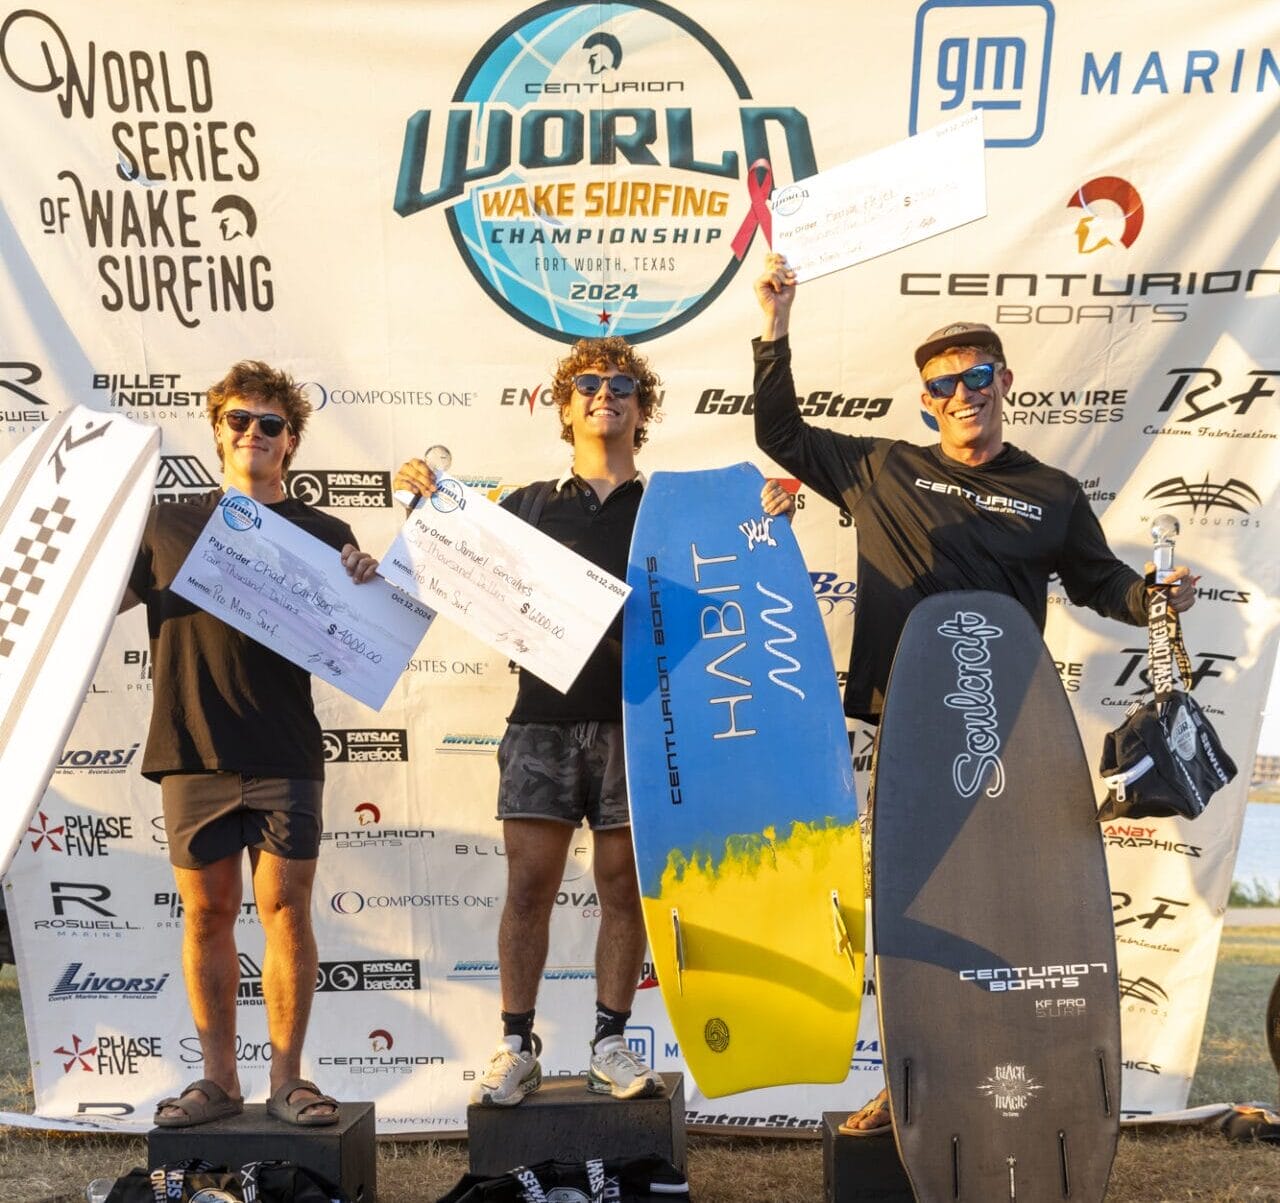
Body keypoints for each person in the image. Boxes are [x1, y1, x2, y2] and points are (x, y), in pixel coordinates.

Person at [751, 253, 1197, 1132]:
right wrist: (775, 325)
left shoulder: (1051, 492)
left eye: (978, 376)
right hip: (905, 725)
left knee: (1012, 909)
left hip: (1009, 732)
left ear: (1004, 383)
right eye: (944, 383)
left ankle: (1017, 1080)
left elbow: (1105, 583)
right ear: (925, 400)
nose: (962, 393)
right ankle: (912, 1083)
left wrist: (1157, 600)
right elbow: (781, 434)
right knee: (913, 914)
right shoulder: (881, 468)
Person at [394, 336, 794, 1106]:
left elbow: (741, 572)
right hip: (541, 719)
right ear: (564, 404)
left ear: (641, 408)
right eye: (586, 383)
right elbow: (446, 568)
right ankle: (515, 1043)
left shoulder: (674, 511)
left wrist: (770, 511)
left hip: (643, 726)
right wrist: (419, 502)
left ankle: (611, 1039)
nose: (602, 393)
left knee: (621, 886)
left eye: (619, 384)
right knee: (529, 885)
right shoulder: (526, 505)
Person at [123, 360, 379, 1128]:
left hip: (283, 750)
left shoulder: (326, 534)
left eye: (270, 423)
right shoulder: (165, 522)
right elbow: (94, 603)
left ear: (290, 440)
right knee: (206, 914)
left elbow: (358, 636)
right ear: (218, 430)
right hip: (190, 746)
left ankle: (288, 1080)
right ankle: (218, 1080)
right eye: (239, 420)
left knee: (285, 910)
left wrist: (365, 581)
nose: (254, 433)